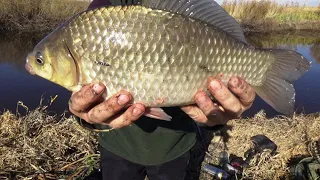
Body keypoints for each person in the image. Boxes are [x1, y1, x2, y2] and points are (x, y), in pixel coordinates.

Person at [68, 0, 256, 179]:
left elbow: (212, 108)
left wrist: (215, 117)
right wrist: (84, 115)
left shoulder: (180, 7)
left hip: (175, 145)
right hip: (117, 146)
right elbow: (83, 99)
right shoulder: (99, 14)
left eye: (40, 62)